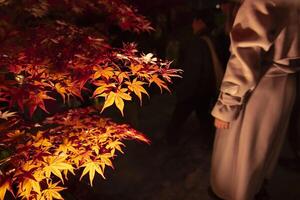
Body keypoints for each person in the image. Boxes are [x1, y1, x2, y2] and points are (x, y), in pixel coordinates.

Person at [210, 0, 300, 199]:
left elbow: (244, 58)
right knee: (260, 158)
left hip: (258, 88)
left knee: (236, 169)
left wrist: (227, 105)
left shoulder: (259, 2)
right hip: (285, 83)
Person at [165, 10, 224, 146]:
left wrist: (184, 90)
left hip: (194, 90)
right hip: (205, 88)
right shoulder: (211, 39)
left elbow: (193, 70)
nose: (193, 25)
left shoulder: (197, 42)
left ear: (200, 22)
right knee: (203, 117)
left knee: (178, 118)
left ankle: (171, 142)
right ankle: (210, 142)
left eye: (195, 22)